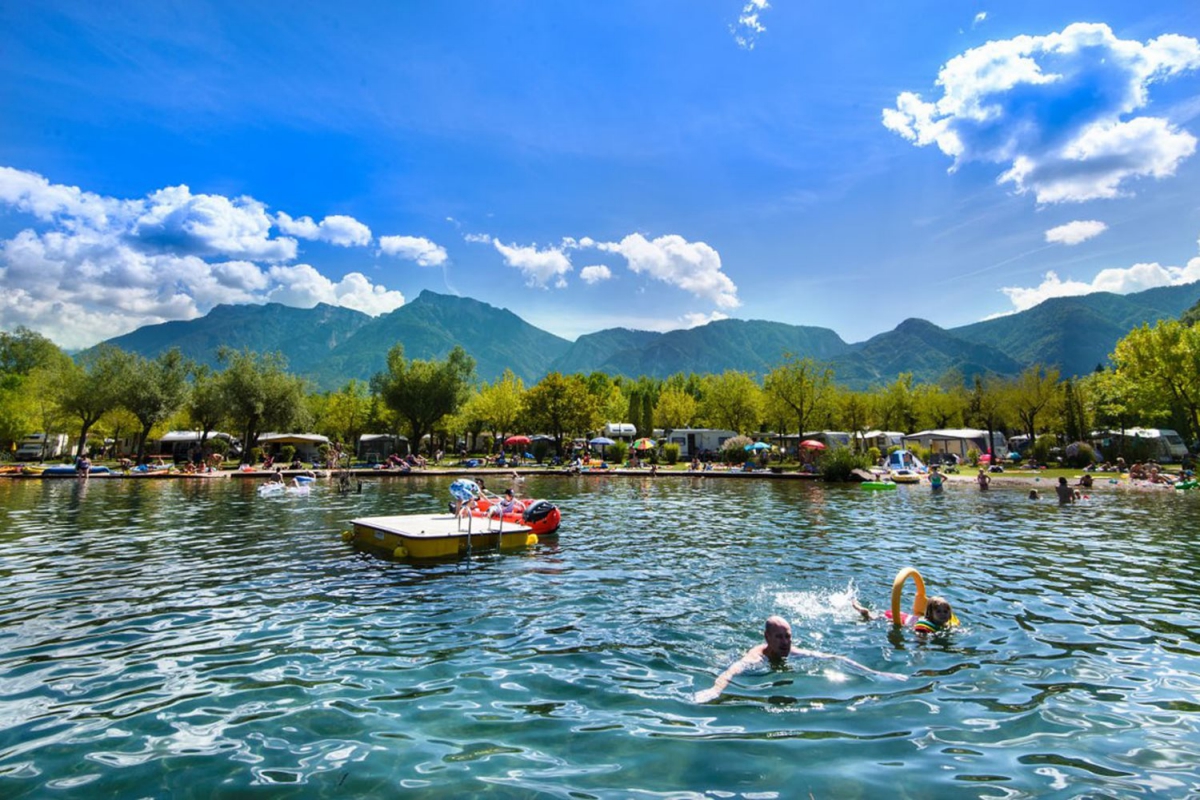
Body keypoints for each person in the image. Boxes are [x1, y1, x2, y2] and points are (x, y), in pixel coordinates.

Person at [694, 616, 903, 703]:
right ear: (767, 638)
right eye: (779, 637)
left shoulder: (793, 651)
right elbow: (730, 672)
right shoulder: (755, 658)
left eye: (788, 637)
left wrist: (877, 674)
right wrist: (715, 690)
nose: (785, 642)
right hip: (732, 662)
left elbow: (835, 657)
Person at [852, 596, 955, 635]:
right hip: (898, 618)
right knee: (873, 619)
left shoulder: (945, 622)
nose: (943, 615)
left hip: (906, 616)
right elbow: (919, 639)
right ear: (930, 614)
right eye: (938, 611)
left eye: (945, 612)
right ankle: (863, 611)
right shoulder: (925, 625)